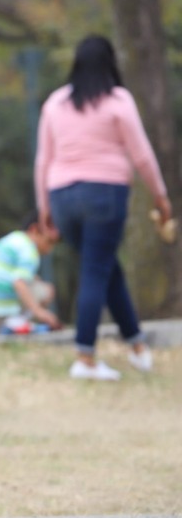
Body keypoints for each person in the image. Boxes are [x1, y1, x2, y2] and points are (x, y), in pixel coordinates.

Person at [35, 35, 172, 381]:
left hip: (62, 196)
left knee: (103, 266)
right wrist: (160, 195)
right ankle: (85, 356)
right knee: (97, 269)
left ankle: (136, 344)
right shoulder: (117, 101)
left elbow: (43, 160)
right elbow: (141, 153)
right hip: (104, 195)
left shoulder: (55, 103)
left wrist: (44, 206)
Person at [0, 213, 60, 335]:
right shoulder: (29, 250)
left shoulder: (14, 239)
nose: (50, 249)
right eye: (49, 242)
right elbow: (19, 282)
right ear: (34, 230)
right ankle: (17, 321)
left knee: (33, 281)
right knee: (47, 290)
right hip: (4, 300)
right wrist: (39, 311)